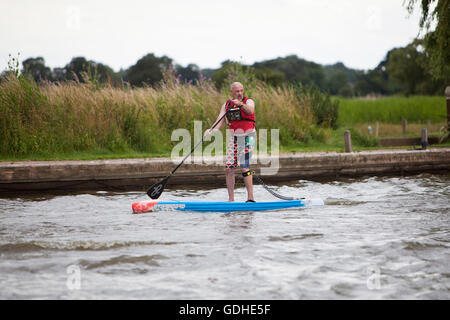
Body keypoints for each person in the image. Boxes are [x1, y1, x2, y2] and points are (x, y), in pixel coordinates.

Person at [206, 82, 256, 202]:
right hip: (234, 138)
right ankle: (231, 200)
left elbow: (250, 111)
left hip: (249, 137)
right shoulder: (226, 105)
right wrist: (211, 130)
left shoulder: (249, 101)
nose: (239, 93)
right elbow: (220, 121)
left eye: (241, 91)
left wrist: (241, 105)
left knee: (244, 166)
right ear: (231, 92)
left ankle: (250, 198)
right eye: (237, 91)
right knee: (229, 168)